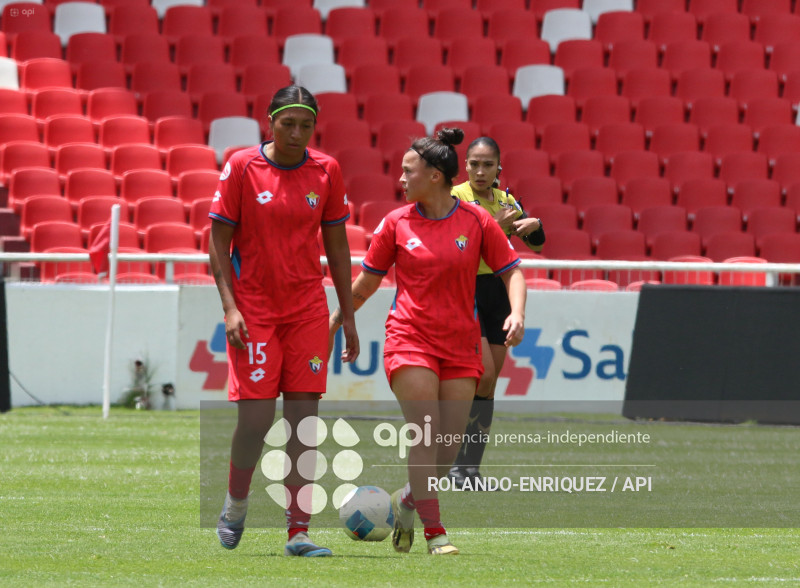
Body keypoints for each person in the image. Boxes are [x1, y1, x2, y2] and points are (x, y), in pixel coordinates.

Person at [329, 128, 527, 555]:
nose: (400, 179)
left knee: (446, 450)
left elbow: (512, 269)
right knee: (425, 433)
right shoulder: (395, 223)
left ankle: (406, 500)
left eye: (408, 170)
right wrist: (338, 321)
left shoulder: (477, 221)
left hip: (461, 344)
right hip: (409, 340)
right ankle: (435, 532)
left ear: (434, 175)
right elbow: (365, 283)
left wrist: (517, 312)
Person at [208, 85, 359, 557]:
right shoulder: (241, 166)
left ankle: (298, 530)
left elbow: (337, 246)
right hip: (253, 310)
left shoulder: (326, 170)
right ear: (269, 121)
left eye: (306, 125)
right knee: (255, 421)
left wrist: (346, 315)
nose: (296, 133)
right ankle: (235, 505)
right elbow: (217, 243)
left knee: (303, 424)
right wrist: (230, 308)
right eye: (288, 123)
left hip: (307, 311)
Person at [448, 137, 545, 490]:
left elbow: (538, 244)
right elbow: (459, 245)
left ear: (498, 168)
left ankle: (469, 469)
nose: (479, 170)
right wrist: (502, 227)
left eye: (487, 164)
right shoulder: (456, 197)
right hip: (467, 292)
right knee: (481, 374)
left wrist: (534, 225)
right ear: (465, 165)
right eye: (474, 163)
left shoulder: (507, 201)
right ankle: (454, 463)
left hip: (498, 295)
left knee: (488, 383)